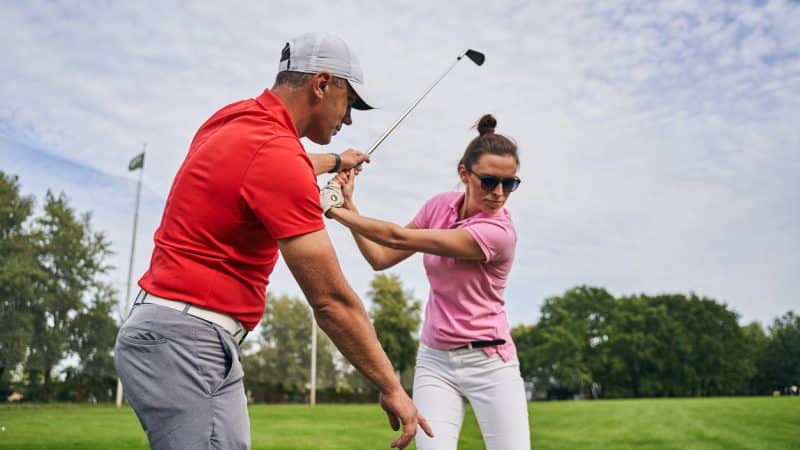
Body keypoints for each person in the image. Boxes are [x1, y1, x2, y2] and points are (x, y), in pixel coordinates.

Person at [114, 32, 431, 450]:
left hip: (181, 334)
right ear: (322, 84)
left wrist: (338, 160)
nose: (349, 119)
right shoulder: (277, 155)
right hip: (187, 341)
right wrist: (391, 386)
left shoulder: (233, 120)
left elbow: (276, 161)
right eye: (350, 102)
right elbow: (331, 302)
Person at [321, 114, 530, 449]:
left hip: (490, 363)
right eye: (490, 181)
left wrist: (332, 211)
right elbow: (381, 257)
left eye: (510, 183)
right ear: (464, 174)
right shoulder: (440, 207)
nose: (499, 193)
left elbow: (399, 238)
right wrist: (347, 203)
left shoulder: (498, 233)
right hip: (436, 361)